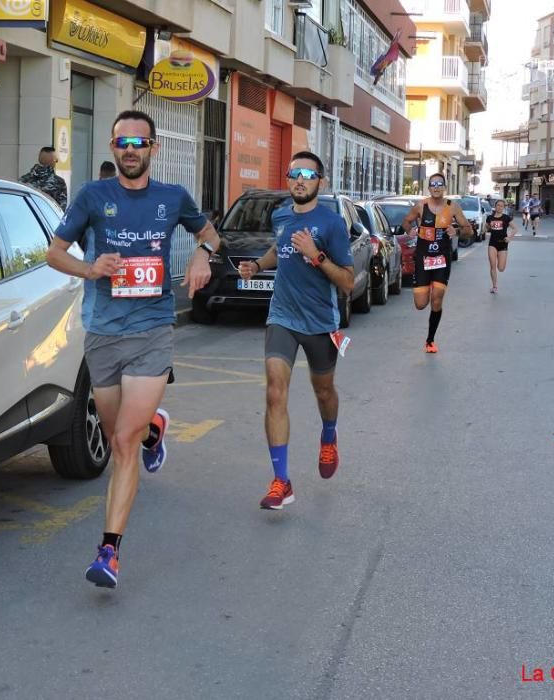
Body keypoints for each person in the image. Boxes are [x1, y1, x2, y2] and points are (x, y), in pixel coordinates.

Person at [45, 110, 220, 590]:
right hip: (103, 331)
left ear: (153, 149)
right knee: (117, 428)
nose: (130, 150)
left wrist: (204, 255)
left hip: (152, 329)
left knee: (120, 443)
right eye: (122, 141)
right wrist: (90, 268)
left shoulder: (172, 198)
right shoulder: (92, 197)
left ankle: (109, 551)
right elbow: (54, 252)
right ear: (112, 146)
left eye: (139, 143)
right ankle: (153, 430)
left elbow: (208, 232)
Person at [237, 152, 354, 510]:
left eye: (308, 174)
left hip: (320, 322)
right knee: (275, 392)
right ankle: (281, 481)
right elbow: (280, 246)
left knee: (324, 391)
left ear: (322, 181)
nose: (299, 179)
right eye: (294, 173)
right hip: (282, 316)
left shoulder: (332, 223)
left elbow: (347, 282)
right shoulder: (281, 214)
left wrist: (317, 256)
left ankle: (329, 435)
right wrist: (258, 264)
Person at [401, 173, 473, 354]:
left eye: (440, 184)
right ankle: (428, 287)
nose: (436, 187)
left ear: (444, 187)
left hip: (442, 259)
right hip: (423, 259)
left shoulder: (452, 207)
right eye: (433, 184)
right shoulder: (421, 206)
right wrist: (410, 231)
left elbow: (468, 231)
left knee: (437, 299)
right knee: (420, 304)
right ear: (429, 187)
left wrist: (456, 231)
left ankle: (430, 340)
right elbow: (406, 222)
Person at [485, 199, 519, 294]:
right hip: (492, 243)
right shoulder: (490, 217)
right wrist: (487, 227)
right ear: (495, 206)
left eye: (501, 206)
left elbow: (515, 229)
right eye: (498, 205)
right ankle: (494, 286)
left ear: (504, 208)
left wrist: (509, 238)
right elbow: (486, 228)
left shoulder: (506, 218)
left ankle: (500, 270)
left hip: (503, 243)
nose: (499, 207)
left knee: (501, 268)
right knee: (492, 265)